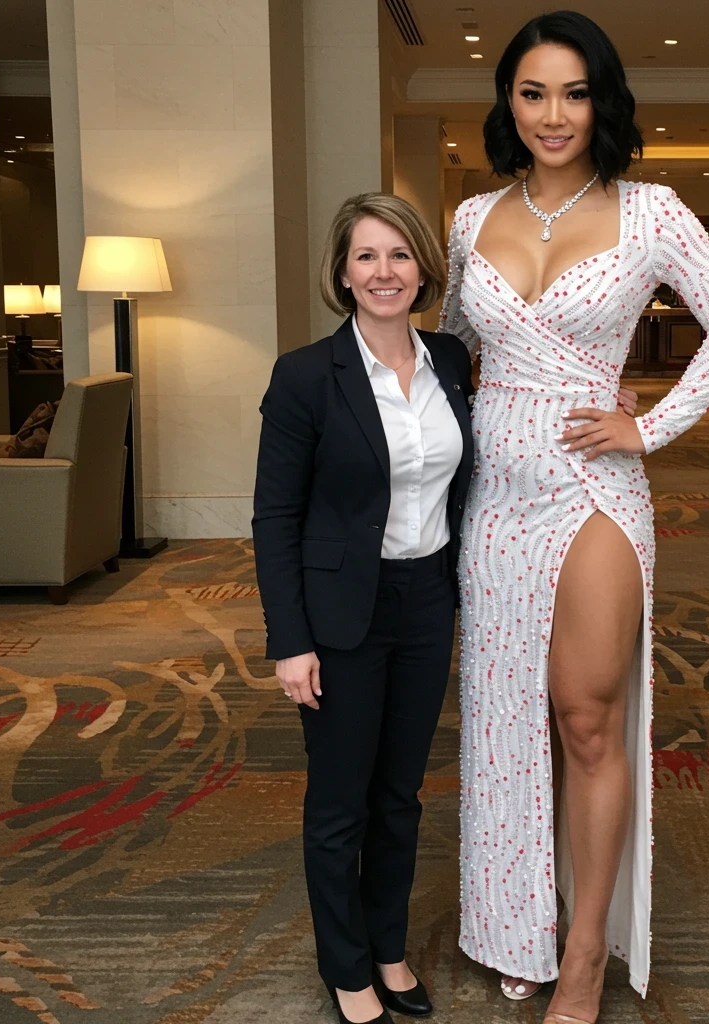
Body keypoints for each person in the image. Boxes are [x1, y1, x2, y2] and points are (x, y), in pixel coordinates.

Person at [439, 11, 709, 1024]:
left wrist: (651, 427)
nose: (553, 114)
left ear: (603, 100)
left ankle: (583, 951)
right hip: (495, 492)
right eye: (532, 92)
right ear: (508, 101)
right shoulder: (465, 218)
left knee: (585, 713)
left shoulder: (652, 210)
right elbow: (451, 353)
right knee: (500, 717)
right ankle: (512, 923)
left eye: (574, 92)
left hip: (591, 486)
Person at [252, 193, 475, 1024]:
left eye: (399, 255)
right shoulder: (307, 374)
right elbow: (275, 516)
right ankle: (346, 968)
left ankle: (389, 946)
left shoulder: (451, 358)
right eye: (366, 257)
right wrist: (291, 638)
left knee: (401, 795)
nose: (385, 273)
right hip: (341, 612)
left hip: (427, 604)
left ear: (423, 267)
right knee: (341, 799)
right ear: (342, 274)